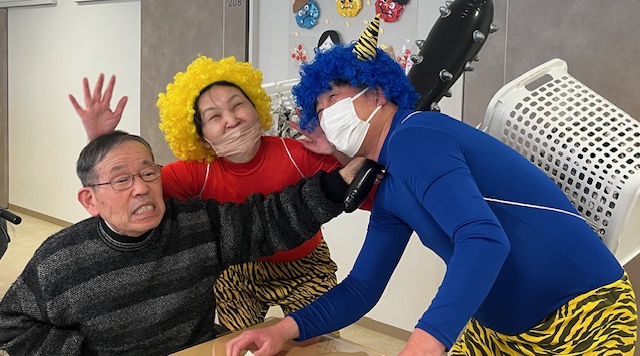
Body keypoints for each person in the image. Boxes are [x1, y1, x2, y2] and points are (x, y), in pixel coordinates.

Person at [225, 17, 638, 356]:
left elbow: (483, 239)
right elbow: (363, 286)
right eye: (318, 109)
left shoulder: (416, 135)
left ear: (377, 92)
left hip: (583, 316)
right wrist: (284, 329)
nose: (326, 115)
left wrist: (425, 341)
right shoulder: (389, 185)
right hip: (500, 330)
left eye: (332, 98)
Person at [0, 130, 365, 356]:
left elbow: (269, 220)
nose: (141, 187)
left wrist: (340, 180)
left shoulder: (196, 223)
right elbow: (10, 323)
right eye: (121, 180)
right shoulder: (59, 259)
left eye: (148, 172)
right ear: (89, 200)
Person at [68, 56, 364, 331]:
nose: (231, 120)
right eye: (214, 117)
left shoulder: (297, 153)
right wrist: (99, 141)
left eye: (238, 105)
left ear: (256, 108)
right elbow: (131, 196)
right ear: (203, 139)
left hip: (306, 264)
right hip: (237, 269)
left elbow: (363, 186)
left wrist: (338, 151)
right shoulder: (197, 171)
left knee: (316, 342)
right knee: (235, 343)